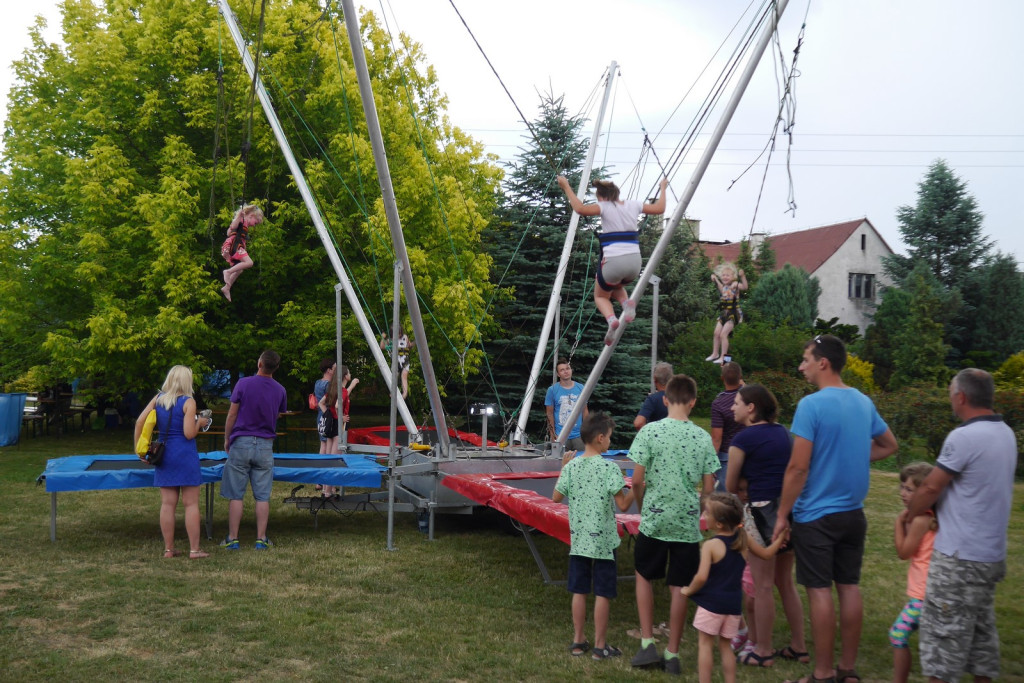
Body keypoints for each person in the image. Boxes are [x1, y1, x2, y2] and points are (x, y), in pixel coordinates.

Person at [772, 334, 898, 683]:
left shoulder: (812, 406)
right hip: (853, 516)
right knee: (849, 586)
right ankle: (847, 670)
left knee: (819, 590)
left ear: (823, 363)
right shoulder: (862, 401)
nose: (801, 366)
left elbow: (797, 468)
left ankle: (823, 673)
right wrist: (853, 455)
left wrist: (782, 515)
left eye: (806, 359)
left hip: (816, 517)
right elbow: (889, 445)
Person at [907, 368, 1016, 683]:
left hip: (958, 557)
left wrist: (912, 513)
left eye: (951, 395)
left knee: (943, 641)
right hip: (989, 556)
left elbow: (930, 488)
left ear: (962, 397)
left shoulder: (965, 436)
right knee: (981, 636)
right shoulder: (1005, 433)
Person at [627, 374, 720, 674]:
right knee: (679, 586)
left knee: (644, 575)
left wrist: (643, 509)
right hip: (686, 523)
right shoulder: (703, 437)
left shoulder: (649, 433)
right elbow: (709, 488)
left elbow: (637, 480)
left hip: (654, 518)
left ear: (664, 399)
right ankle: (673, 654)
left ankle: (646, 645)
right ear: (693, 402)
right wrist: (701, 508)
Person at [725, 383, 808, 667]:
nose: (732, 407)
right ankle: (799, 646)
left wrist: (745, 484)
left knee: (762, 587)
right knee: (785, 583)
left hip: (760, 515)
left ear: (751, 408)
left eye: (736, 403)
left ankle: (763, 649)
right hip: (787, 513)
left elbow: (730, 484)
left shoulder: (743, 439)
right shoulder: (785, 434)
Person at [681, 492, 789, 683]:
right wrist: (780, 539)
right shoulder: (744, 538)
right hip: (733, 606)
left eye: (707, 514)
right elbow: (765, 554)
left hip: (711, 604)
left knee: (705, 645)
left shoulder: (711, 545)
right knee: (725, 646)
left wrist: (688, 590)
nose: (704, 516)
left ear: (719, 524)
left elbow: (701, 577)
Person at [552, 412, 634, 661]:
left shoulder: (571, 466)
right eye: (609, 437)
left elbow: (556, 498)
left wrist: (563, 470)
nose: (610, 441)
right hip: (604, 542)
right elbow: (622, 506)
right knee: (602, 593)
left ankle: (578, 641)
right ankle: (600, 646)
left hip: (578, 541)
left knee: (579, 590)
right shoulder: (610, 468)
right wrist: (638, 487)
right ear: (600, 438)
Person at [557, 174, 668, 345]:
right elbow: (660, 208)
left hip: (614, 262)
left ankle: (611, 319)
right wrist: (662, 188)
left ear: (602, 197)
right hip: (634, 263)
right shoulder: (634, 204)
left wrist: (565, 186)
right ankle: (625, 302)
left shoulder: (604, 207)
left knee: (600, 296)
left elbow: (579, 208)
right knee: (615, 284)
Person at [134, 365, 213, 559]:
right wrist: (200, 423)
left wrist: (139, 450)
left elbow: (139, 422)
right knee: (191, 504)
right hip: (184, 455)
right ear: (187, 381)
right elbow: (188, 433)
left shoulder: (158, 399)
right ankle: (194, 549)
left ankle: (169, 549)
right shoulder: (189, 402)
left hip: (164, 454)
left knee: (168, 504)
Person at [220, 350, 288, 550]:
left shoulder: (243, 384)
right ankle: (261, 538)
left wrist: (227, 438)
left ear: (259, 363)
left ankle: (232, 538)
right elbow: (279, 414)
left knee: (236, 494)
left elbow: (232, 414)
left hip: (241, 441)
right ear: (276, 368)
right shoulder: (280, 390)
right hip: (265, 444)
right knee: (262, 495)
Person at [890, 462, 937, 683]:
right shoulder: (933, 516)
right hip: (933, 592)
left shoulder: (920, 520)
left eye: (910, 490)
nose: (903, 494)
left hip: (922, 596)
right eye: (902, 487)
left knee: (898, 634)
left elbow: (904, 552)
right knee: (932, 641)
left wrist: (899, 523)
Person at [710, 361, 744, 492]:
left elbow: (717, 437)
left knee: (724, 500)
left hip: (727, 456)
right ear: (740, 377)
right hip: (748, 452)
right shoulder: (748, 397)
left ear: (722, 378)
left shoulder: (719, 403)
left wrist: (712, 462)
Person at [220, 203, 264, 302]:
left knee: (239, 270)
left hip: (236, 246)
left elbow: (229, 232)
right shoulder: (241, 219)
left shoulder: (244, 226)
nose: (254, 225)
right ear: (251, 216)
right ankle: (228, 272)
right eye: (256, 222)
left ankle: (227, 287)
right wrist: (239, 215)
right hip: (233, 245)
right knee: (249, 263)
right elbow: (231, 228)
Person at [544, 358, 589, 452]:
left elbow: (585, 411)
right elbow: (549, 414)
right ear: (558, 374)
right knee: (560, 464)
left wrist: (586, 432)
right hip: (561, 436)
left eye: (567, 368)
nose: (566, 372)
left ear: (571, 370)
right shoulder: (552, 390)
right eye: (562, 370)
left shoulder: (580, 388)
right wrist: (552, 434)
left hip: (579, 436)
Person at [706, 263, 747, 363]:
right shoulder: (724, 287)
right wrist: (715, 278)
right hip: (724, 313)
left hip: (734, 314)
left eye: (727, 275)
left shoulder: (735, 285)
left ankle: (724, 359)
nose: (725, 277)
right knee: (716, 333)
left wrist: (742, 276)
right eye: (723, 275)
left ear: (733, 277)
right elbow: (719, 285)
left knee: (723, 335)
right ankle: (715, 353)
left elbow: (745, 287)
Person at [633, 361, 673, 430]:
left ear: (655, 379)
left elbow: (638, 423)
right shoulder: (679, 398)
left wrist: (648, 435)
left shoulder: (653, 399)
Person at [379, 327, 414, 398]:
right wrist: (383, 338)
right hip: (396, 362)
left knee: (404, 375)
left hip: (404, 360)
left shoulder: (405, 337)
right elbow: (382, 347)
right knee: (394, 376)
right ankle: (393, 392)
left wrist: (414, 342)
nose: (398, 336)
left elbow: (409, 345)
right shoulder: (390, 340)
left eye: (399, 334)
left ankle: (405, 393)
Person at [314, 358, 335, 457]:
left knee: (323, 443)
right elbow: (331, 402)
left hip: (320, 415)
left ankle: (320, 465)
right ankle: (327, 465)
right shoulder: (328, 385)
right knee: (329, 444)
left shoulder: (317, 382)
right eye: (334, 368)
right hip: (327, 415)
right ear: (329, 370)